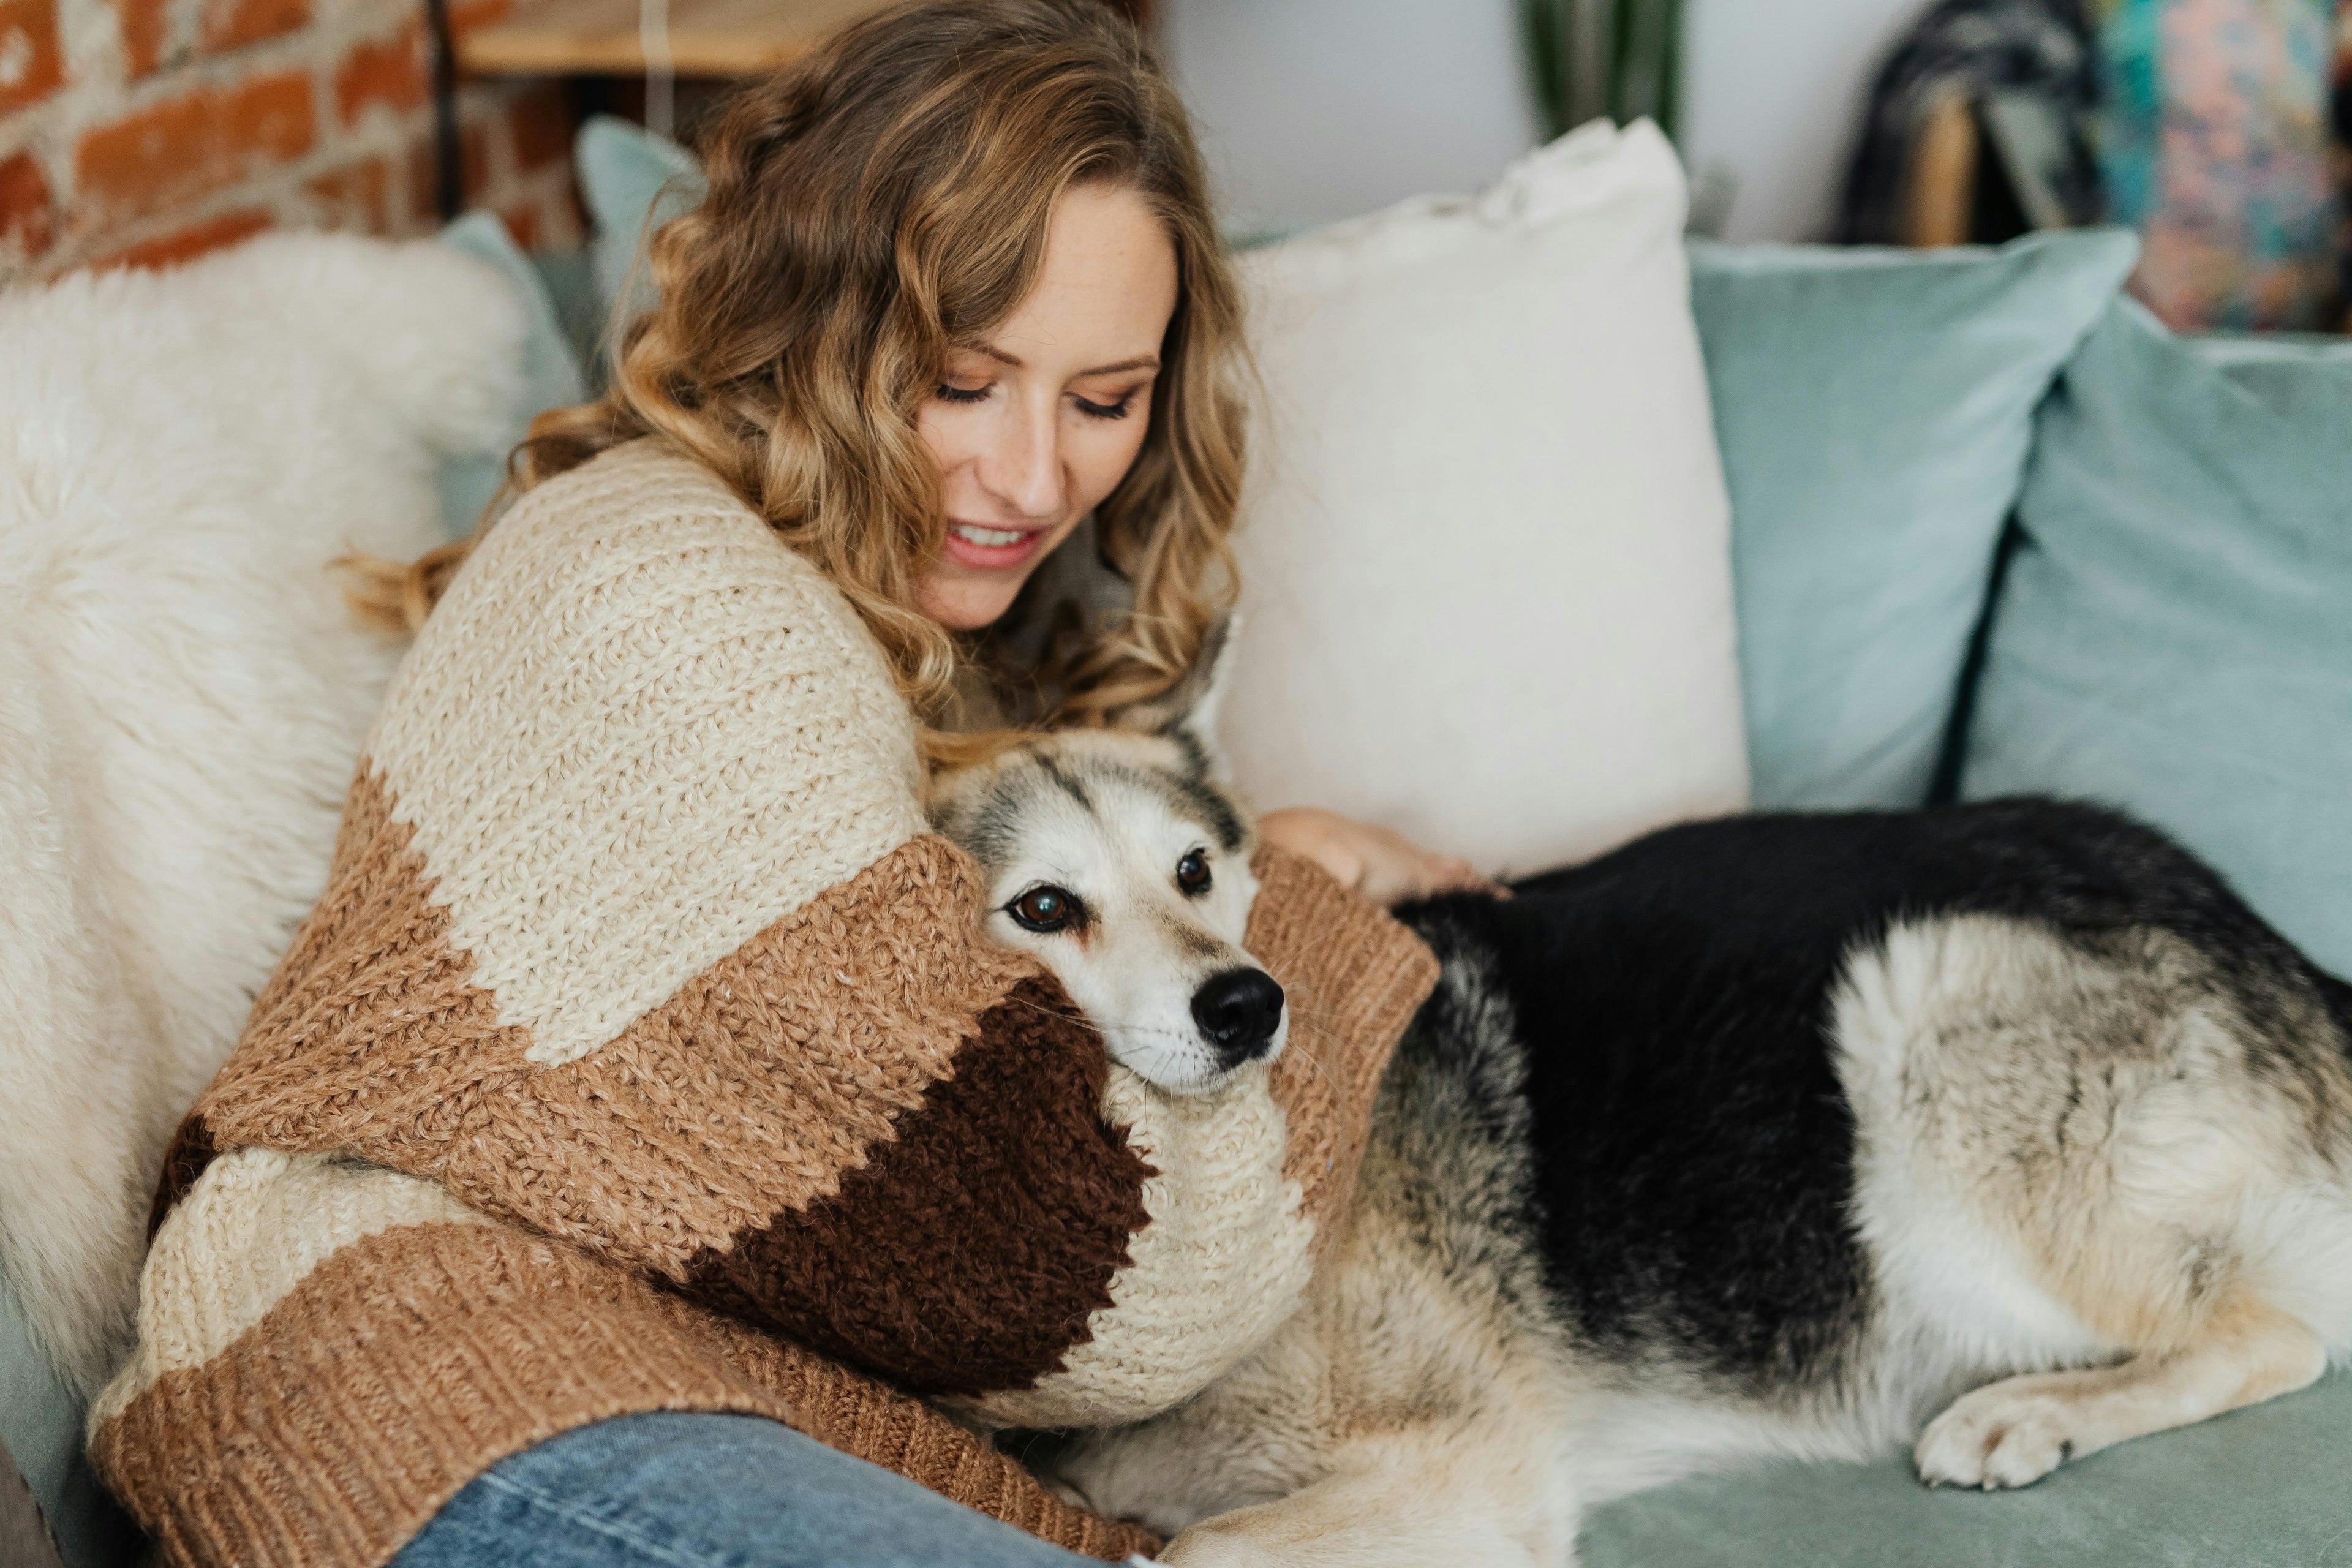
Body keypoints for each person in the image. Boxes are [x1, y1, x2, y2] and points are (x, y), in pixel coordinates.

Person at [88, 4, 1460, 1566]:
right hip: (428, 1374)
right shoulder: (679, 599)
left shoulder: (925, 634)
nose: (1034, 477)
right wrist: (1310, 928)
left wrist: (1223, 862)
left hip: (632, 1376)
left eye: (1101, 400)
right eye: (964, 378)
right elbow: (1100, 1268)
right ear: (813, 317)